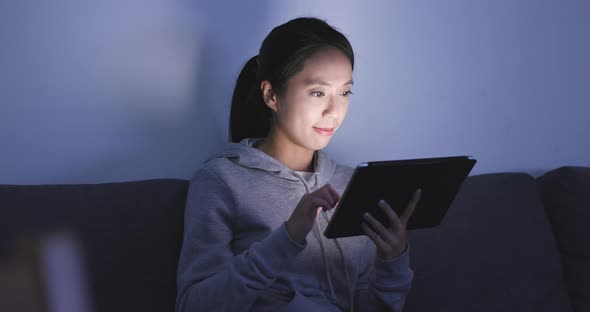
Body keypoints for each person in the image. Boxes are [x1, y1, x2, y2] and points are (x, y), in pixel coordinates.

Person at [176, 17, 421, 312]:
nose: (334, 111)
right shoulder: (222, 180)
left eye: (344, 92)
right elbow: (194, 306)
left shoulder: (351, 184)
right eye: (318, 92)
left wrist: (392, 261)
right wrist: (288, 237)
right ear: (271, 95)